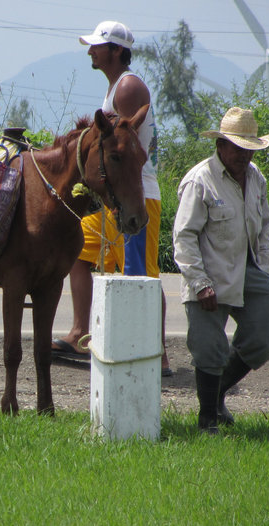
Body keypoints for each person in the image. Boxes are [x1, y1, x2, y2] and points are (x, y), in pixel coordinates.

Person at [52, 20, 171, 376]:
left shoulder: (128, 86)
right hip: (113, 196)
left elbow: (121, 146)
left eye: (97, 46)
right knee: (79, 251)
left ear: (117, 51)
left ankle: (157, 351)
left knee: (140, 277)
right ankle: (80, 333)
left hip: (135, 195)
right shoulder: (115, 88)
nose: (91, 50)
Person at [173, 107, 269, 434]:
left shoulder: (256, 178)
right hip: (207, 274)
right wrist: (200, 283)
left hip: (248, 269)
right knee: (209, 348)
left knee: (262, 337)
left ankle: (218, 393)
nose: (242, 155)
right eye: (236, 147)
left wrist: (265, 271)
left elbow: (264, 228)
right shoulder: (200, 180)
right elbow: (184, 236)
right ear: (220, 146)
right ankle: (207, 421)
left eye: (249, 148)